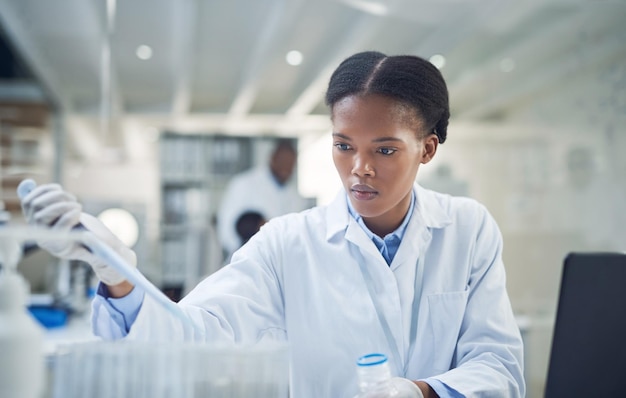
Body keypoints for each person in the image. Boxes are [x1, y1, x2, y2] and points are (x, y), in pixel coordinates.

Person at [21, 51, 524, 397]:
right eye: (343, 145)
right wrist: (117, 273)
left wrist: (420, 390)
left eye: (384, 149)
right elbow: (195, 335)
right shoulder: (288, 242)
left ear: (428, 149)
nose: (359, 169)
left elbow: (500, 369)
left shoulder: (467, 228)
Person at [217, 138, 308, 260]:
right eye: (283, 161)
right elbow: (226, 228)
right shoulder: (244, 184)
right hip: (246, 258)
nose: (286, 168)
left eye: (291, 164)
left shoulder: (295, 197)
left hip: (280, 262)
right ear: (272, 158)